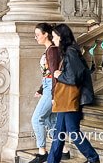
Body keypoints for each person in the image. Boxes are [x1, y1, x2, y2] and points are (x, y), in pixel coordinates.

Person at [48, 24, 100, 163]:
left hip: (71, 99)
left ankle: (93, 158)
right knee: (59, 132)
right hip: (66, 99)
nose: (53, 40)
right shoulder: (69, 52)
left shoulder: (71, 52)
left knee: (71, 131)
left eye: (54, 37)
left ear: (61, 37)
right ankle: (52, 160)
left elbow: (74, 78)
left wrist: (59, 75)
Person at [30, 23, 70, 163]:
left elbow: (54, 74)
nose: (36, 38)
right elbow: (49, 73)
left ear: (46, 34)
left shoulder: (52, 50)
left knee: (37, 119)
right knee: (50, 120)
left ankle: (42, 151)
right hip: (48, 87)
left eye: (38, 35)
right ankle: (63, 149)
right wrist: (41, 89)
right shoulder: (50, 49)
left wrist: (53, 94)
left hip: (52, 88)